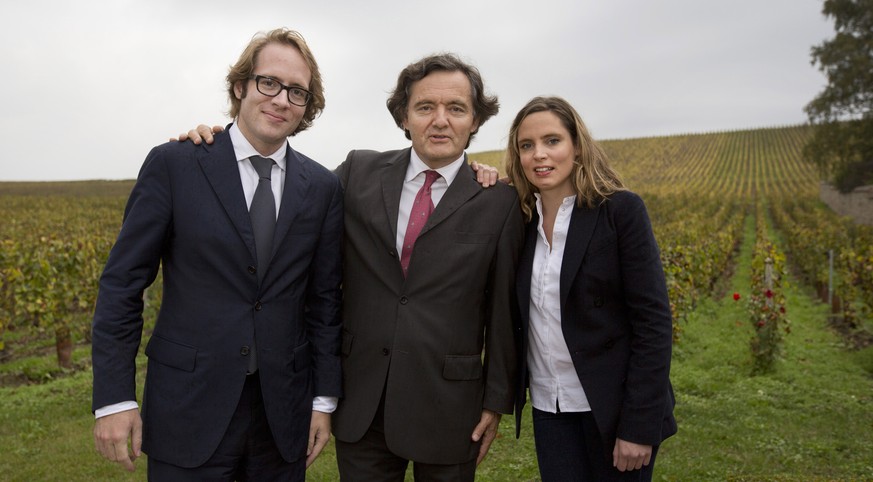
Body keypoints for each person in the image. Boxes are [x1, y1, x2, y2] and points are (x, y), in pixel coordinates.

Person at [183, 52, 523, 481]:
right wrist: (224, 146)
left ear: (475, 120)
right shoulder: (358, 173)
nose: (440, 120)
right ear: (404, 116)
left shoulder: (499, 201)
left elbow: (503, 312)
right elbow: (291, 192)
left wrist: (495, 401)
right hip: (362, 403)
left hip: (451, 406)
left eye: (456, 109)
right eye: (425, 107)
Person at [91, 28, 343, 480]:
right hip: (188, 405)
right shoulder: (176, 164)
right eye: (269, 82)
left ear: (307, 107)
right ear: (240, 86)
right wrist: (115, 398)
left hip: (282, 417)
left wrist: (323, 401)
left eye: (297, 92)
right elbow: (122, 284)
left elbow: (324, 302)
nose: (281, 99)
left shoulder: (322, 188)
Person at [505, 96, 677, 481]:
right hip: (551, 408)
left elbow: (653, 322)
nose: (539, 155)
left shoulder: (620, 211)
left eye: (552, 140)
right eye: (526, 145)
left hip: (613, 407)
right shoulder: (519, 220)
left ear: (577, 146)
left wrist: (637, 426)